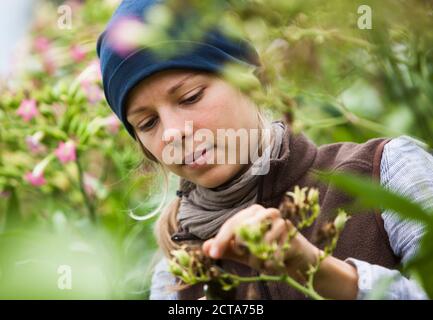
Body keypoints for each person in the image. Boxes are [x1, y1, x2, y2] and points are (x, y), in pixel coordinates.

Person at [97, 0, 432, 300]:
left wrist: (322, 273)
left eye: (191, 97)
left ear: (253, 81)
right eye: (147, 123)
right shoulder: (177, 273)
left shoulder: (386, 172)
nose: (172, 134)